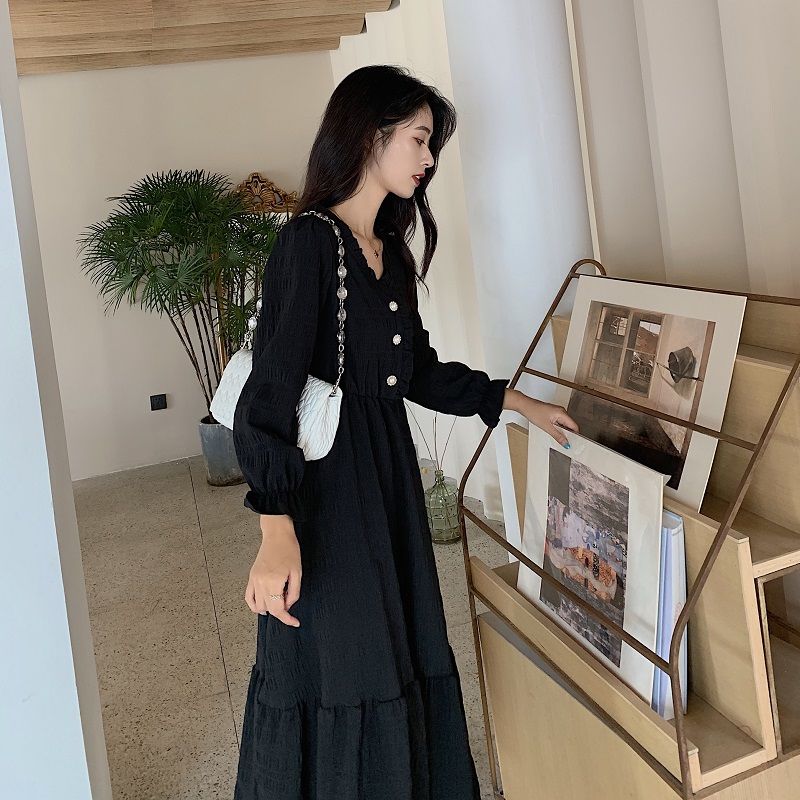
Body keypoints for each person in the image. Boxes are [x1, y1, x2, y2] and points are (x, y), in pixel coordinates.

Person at [231, 64, 579, 800]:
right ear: (369, 133)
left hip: (388, 478)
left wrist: (511, 401)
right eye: (418, 140)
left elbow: (414, 370)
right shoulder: (309, 243)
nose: (427, 159)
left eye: (430, 144)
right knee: (344, 657)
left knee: (400, 643)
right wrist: (274, 528)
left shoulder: (389, 253)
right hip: (330, 488)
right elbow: (267, 397)